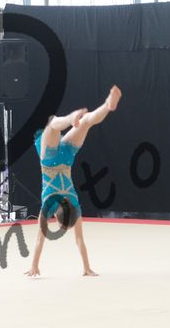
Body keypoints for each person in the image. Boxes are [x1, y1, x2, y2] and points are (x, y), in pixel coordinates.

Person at [25, 86, 122, 277]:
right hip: (51, 161)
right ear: (56, 217)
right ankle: (87, 113)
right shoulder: (48, 207)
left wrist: (87, 267)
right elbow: (41, 240)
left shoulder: (74, 205)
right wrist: (34, 265)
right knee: (54, 125)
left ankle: (105, 107)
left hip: (65, 158)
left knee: (81, 123)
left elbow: (78, 241)